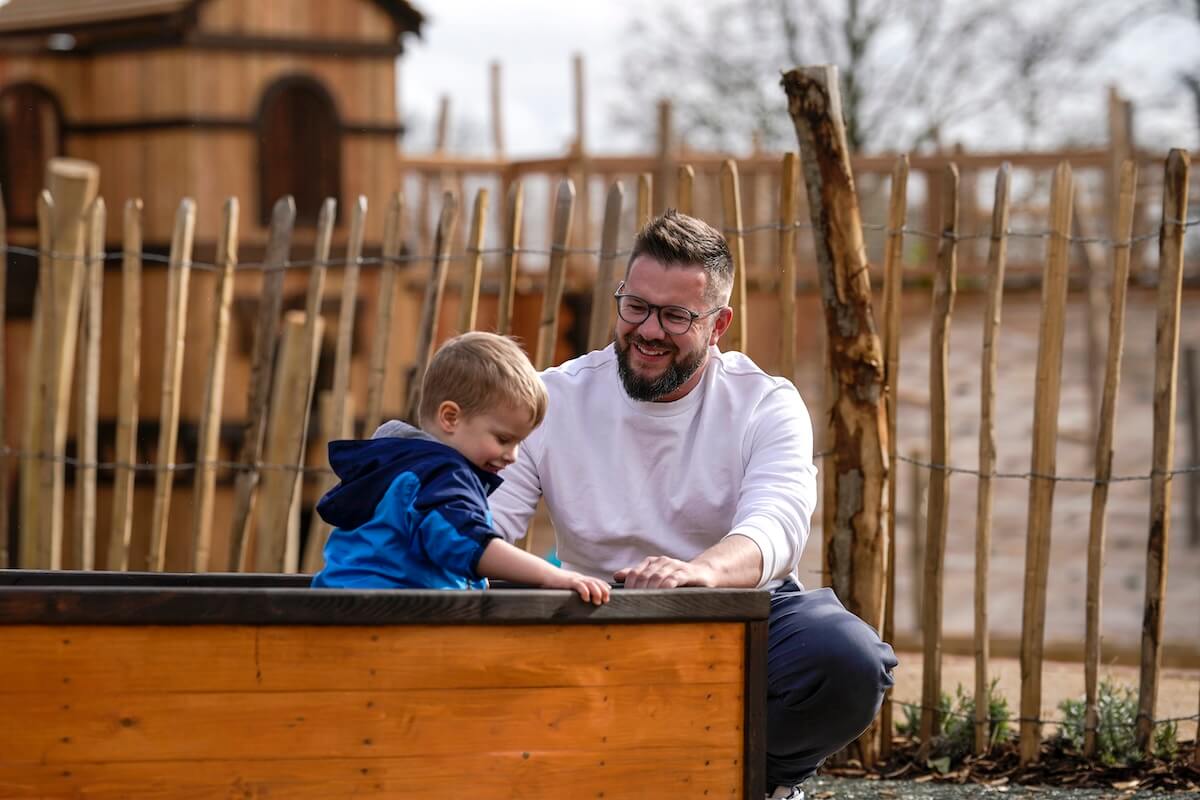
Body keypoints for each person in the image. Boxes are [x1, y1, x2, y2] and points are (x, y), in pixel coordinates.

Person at [489, 210, 897, 797]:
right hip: (590, 614)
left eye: (676, 315)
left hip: (733, 617)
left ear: (719, 323)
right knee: (469, 596)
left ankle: (759, 784)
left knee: (847, 658)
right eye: (636, 306)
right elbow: (488, 526)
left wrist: (696, 573)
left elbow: (776, 526)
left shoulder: (765, 403)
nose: (649, 330)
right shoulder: (552, 396)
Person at [311, 331, 610, 605]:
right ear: (451, 418)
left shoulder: (402, 468)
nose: (513, 456)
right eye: (503, 439)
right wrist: (551, 575)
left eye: (519, 443)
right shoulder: (440, 476)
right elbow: (466, 541)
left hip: (354, 606)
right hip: (381, 617)